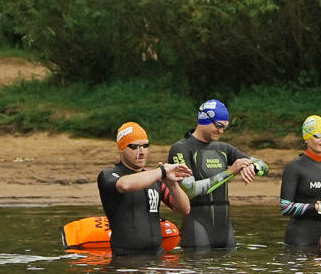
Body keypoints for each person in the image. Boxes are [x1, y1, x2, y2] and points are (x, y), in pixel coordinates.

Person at [169, 100, 261, 251]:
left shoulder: (223, 148)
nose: (221, 131)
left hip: (225, 230)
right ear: (204, 119)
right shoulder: (181, 149)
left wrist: (251, 166)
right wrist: (230, 172)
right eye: (218, 125)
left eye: (225, 126)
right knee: (196, 264)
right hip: (197, 227)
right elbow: (189, 190)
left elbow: (263, 165)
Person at [99, 122, 192, 256]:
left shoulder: (155, 178)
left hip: (156, 257)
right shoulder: (109, 175)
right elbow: (124, 185)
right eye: (134, 147)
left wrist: (172, 184)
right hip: (126, 259)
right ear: (121, 149)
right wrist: (161, 171)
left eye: (145, 146)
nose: (141, 152)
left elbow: (184, 209)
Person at [278, 115, 321, 249]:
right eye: (318, 135)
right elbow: (286, 207)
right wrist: (318, 207)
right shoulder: (294, 167)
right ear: (307, 138)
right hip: (299, 238)